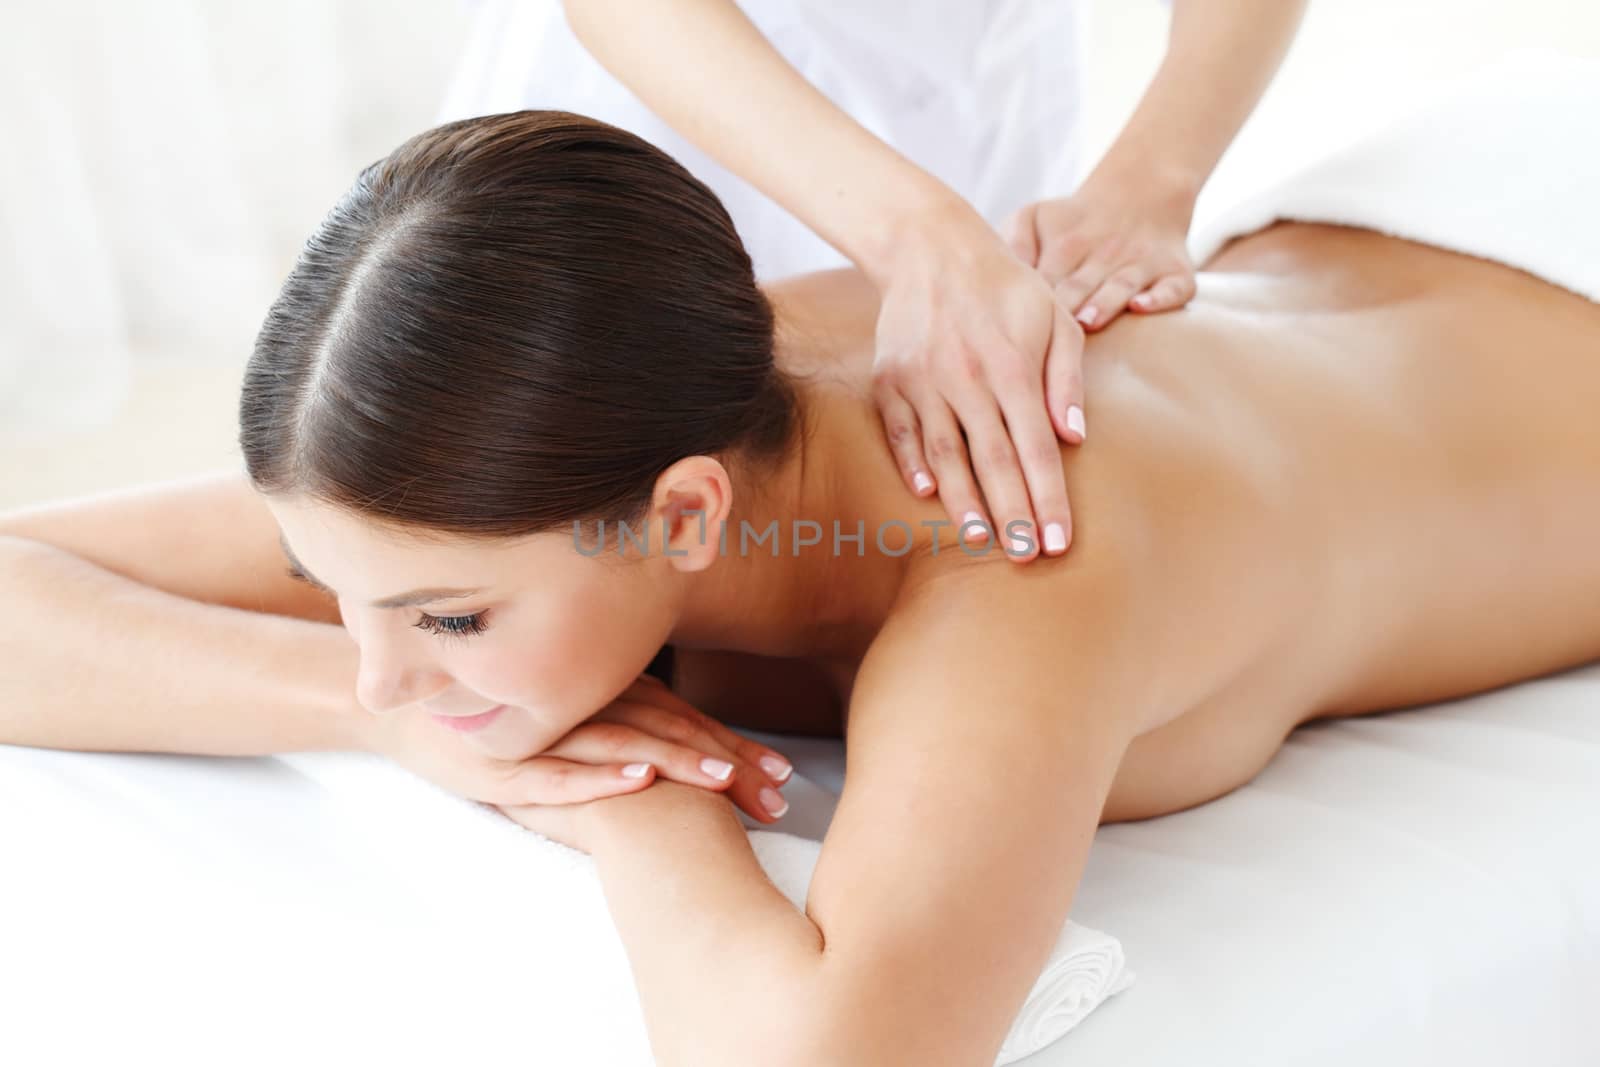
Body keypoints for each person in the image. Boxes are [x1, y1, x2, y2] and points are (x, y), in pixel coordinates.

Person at [4, 109, 1598, 1064]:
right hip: (1373, 238)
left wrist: (629, 790)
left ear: (684, 516)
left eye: (447, 621)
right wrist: (416, 731)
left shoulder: (1007, 561)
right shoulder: (628, 391)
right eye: (326, 585)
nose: (379, 667)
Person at [439, 0, 1309, 561]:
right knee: (516, 541)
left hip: (986, 100)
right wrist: (919, 240)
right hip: (689, 96)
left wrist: (1150, 182)